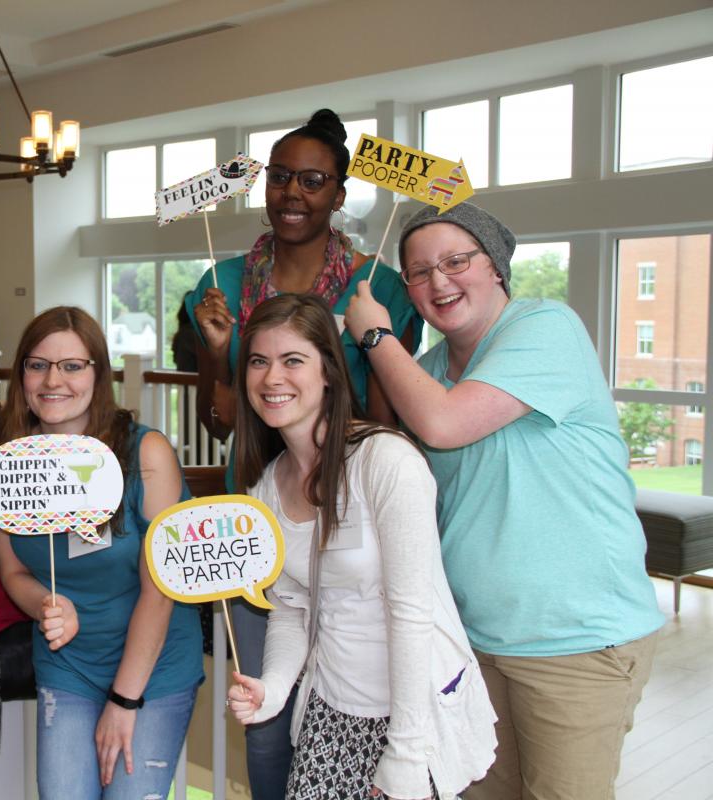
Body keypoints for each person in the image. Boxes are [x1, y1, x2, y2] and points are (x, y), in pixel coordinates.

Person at [344, 201, 664, 800]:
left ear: (494, 266)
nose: (439, 281)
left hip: (577, 643)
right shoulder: (427, 371)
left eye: (456, 260)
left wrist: (374, 335)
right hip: (474, 643)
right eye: (418, 271)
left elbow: (443, 424)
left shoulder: (546, 327)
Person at [184, 108, 422, 800]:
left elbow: (387, 418)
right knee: (265, 714)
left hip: (351, 525)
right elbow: (220, 417)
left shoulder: (378, 289)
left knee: (352, 707)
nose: (292, 193)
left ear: (339, 194)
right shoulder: (221, 284)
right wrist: (225, 358)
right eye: (280, 178)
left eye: (312, 180)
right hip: (257, 525)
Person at [226, 293, 497, 800]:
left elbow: (412, 611)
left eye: (293, 361)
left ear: (328, 371)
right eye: (259, 361)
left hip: (411, 718)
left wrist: (407, 754)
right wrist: (275, 688)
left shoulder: (385, 461)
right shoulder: (264, 487)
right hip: (328, 712)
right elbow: (289, 610)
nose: (271, 377)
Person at [0, 307, 203, 800]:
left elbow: (161, 588)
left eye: (72, 366)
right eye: (37, 365)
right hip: (69, 666)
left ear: (97, 375)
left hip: (155, 666)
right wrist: (45, 604)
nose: (52, 380)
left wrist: (125, 701)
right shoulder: (2, 466)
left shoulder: (145, 454)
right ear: (21, 375)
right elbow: (14, 569)